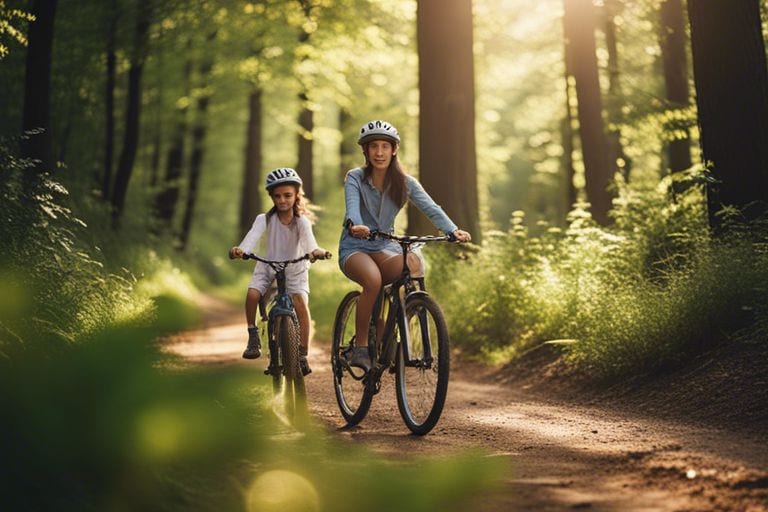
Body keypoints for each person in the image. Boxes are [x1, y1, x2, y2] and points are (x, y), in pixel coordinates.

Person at [339, 120, 471, 370]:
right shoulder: (355, 177)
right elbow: (352, 207)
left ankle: (391, 334)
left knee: (411, 265)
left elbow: (431, 208)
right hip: (355, 246)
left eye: (385, 146)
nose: (379, 152)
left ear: (394, 150)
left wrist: (452, 230)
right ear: (365, 150)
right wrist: (356, 225)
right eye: (373, 146)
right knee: (373, 280)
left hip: (385, 246)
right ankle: (361, 348)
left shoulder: (406, 182)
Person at [230, 167, 328, 375]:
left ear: (296, 195)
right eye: (277, 196)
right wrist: (241, 250)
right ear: (271, 197)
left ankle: (303, 354)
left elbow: (310, 244)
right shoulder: (263, 219)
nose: (282, 200)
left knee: (300, 303)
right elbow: (250, 240)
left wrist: (317, 252)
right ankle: (253, 335)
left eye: (287, 195)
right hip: (267, 266)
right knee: (252, 294)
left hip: (295, 269)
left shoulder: (302, 221)